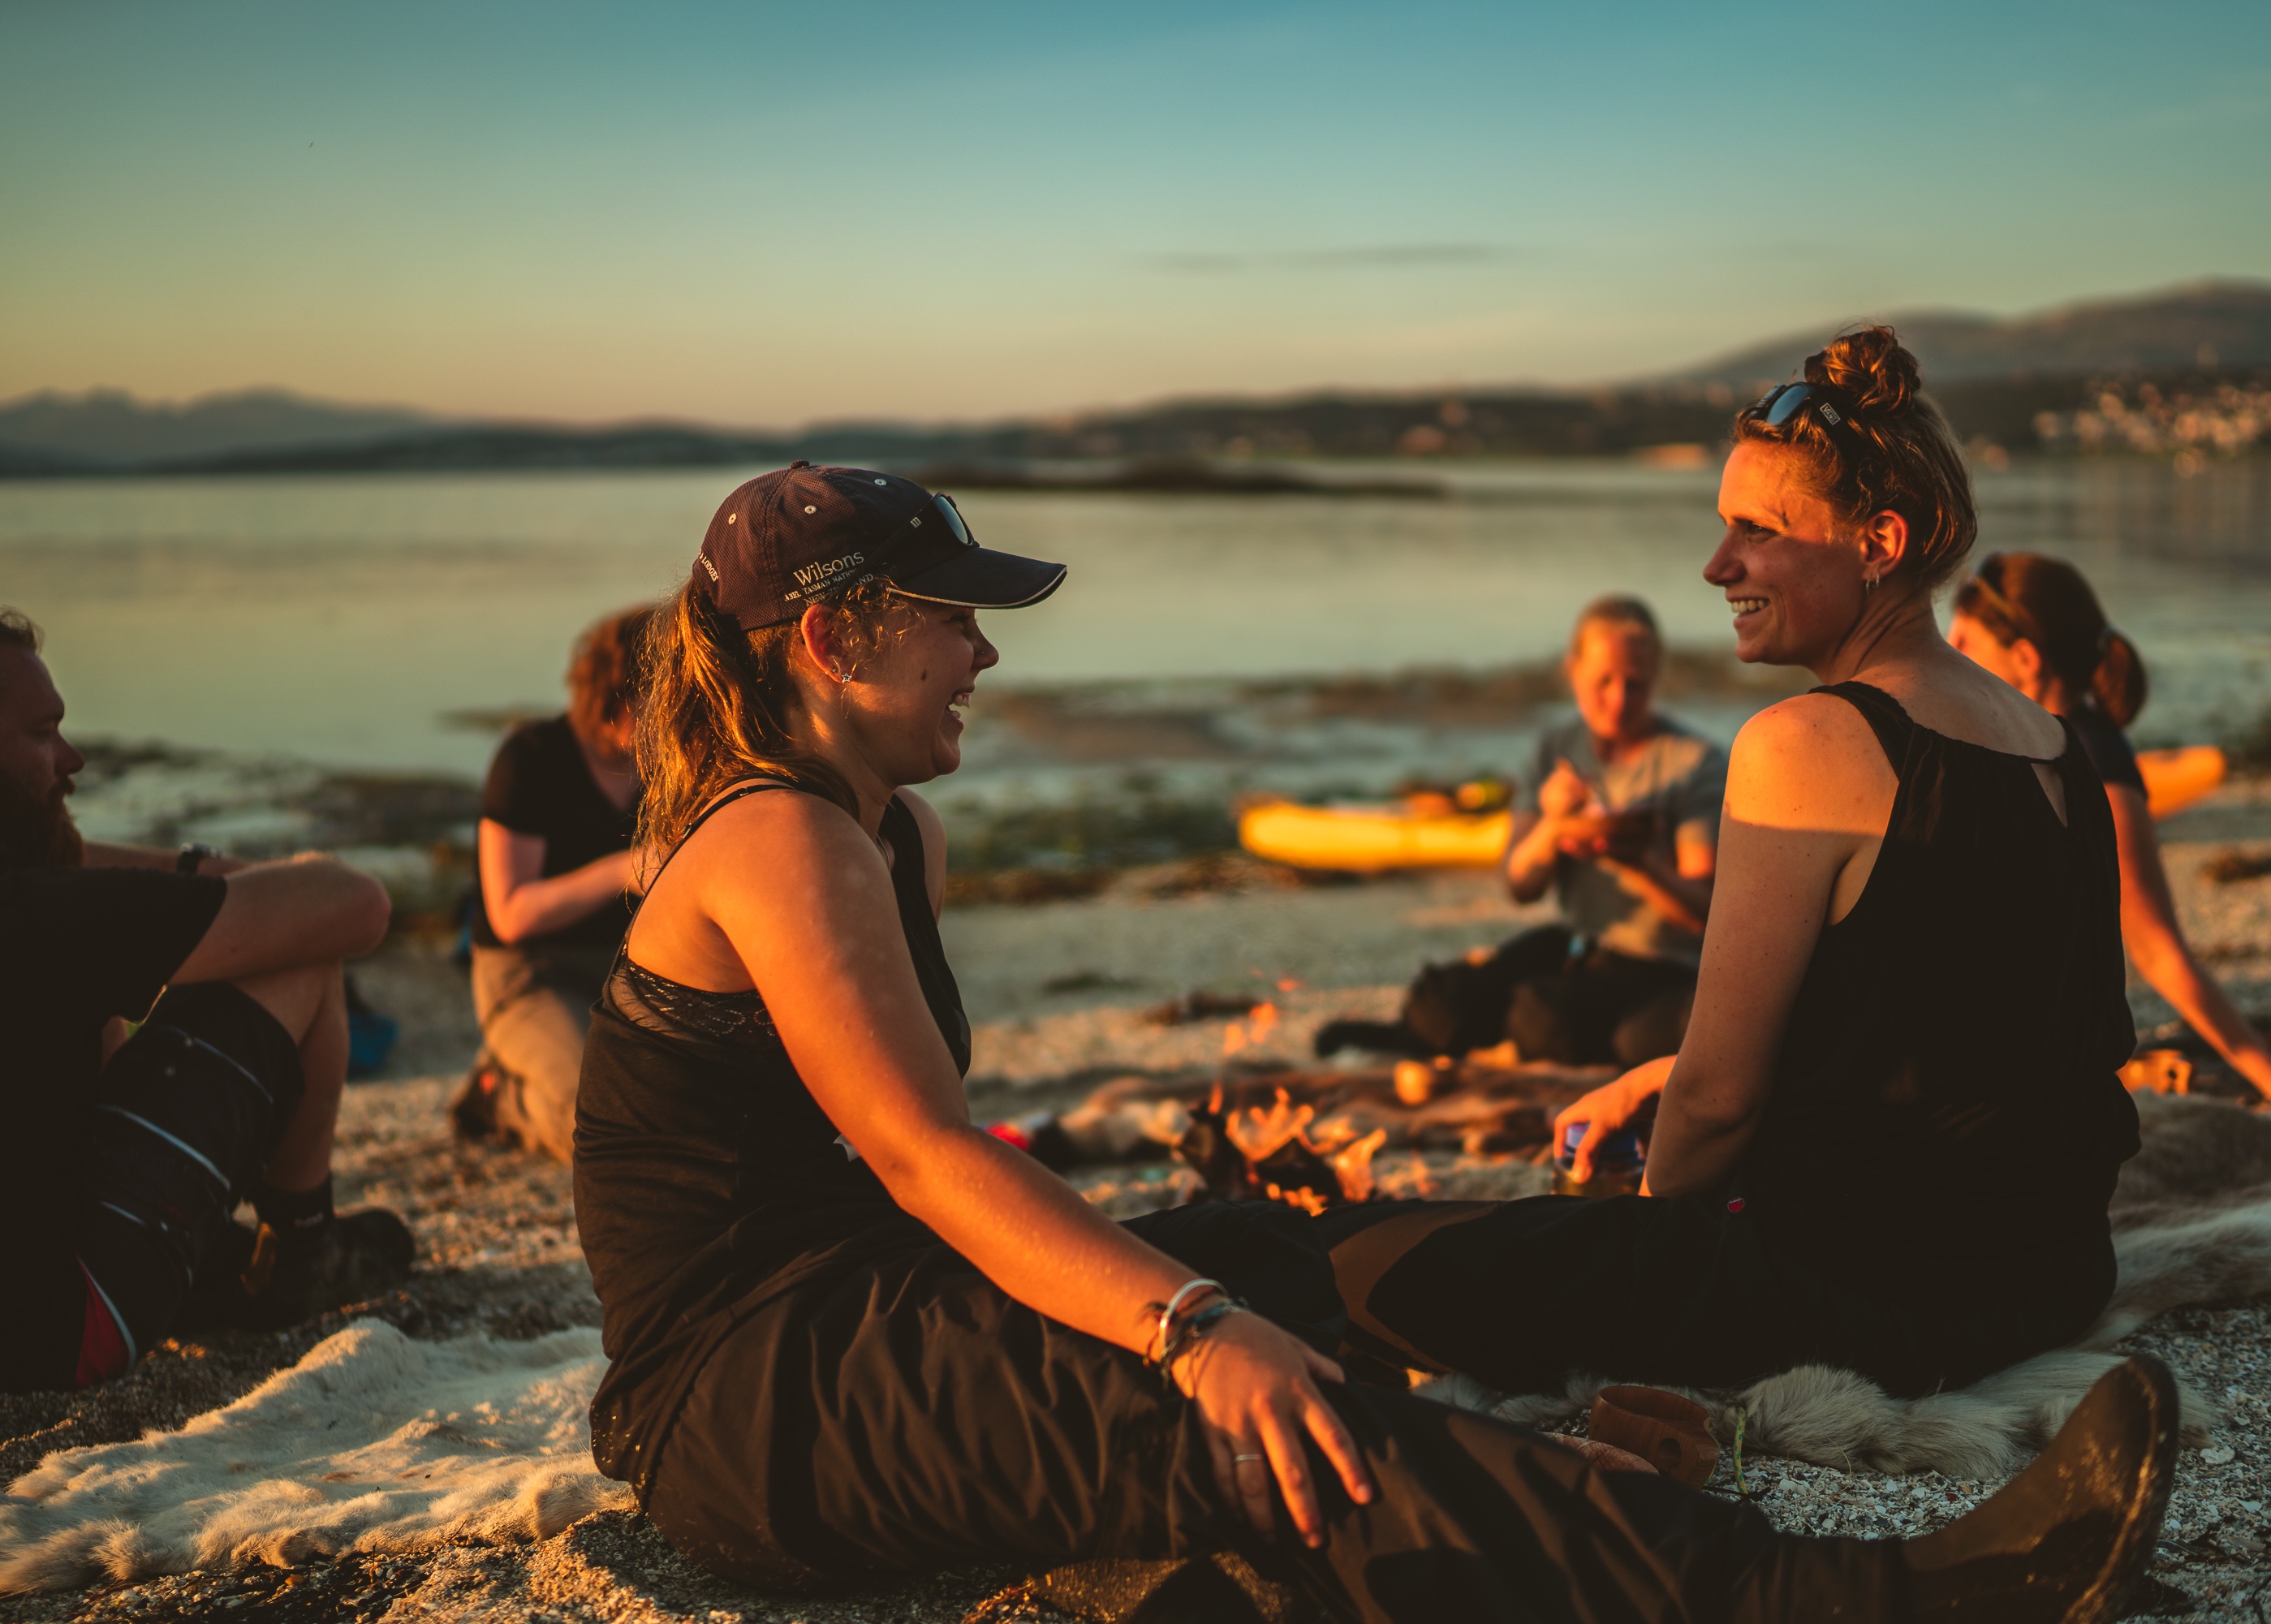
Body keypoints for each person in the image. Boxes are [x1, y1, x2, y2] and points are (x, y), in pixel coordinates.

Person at [570, 464, 2178, 1624]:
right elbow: (923, 1158)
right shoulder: (775, 843)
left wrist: (1208, 1286)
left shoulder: (886, 832)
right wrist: (1191, 1330)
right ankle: (1866, 1597)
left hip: (864, 1303)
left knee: (1288, 1253)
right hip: (750, 1397)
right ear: (836, 637)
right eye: (952, 620)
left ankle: (1500, 1400)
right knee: (1271, 1401)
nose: (984, 654)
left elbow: (911, 1171)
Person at [1320, 328, 2148, 1413]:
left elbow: (1718, 1104)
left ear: (1878, 543)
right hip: (2049, 1277)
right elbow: (1978, 1033)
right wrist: (1665, 1077)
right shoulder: (2051, 747)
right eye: (1723, 529)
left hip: (1862, 1300)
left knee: (1356, 1268)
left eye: (1756, 532)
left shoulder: (1805, 745)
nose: (1718, 568)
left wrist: (1651, 1223)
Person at [0, 608, 413, 1394]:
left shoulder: (40, 905)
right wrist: (201, 874)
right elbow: (352, 905)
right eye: (42, 733)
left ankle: (215, 1258)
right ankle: (303, 1248)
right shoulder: (39, 915)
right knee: (298, 956)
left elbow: (74, 883)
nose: (73, 758)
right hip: (60, 1332)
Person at [1949, 554, 2271, 1111]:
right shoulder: (2032, 746)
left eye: (1963, 645)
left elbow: (2158, 950)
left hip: (2022, 1059)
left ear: (2026, 659)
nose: (1949, 662)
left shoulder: (2093, 766)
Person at [1316, 598, 1724, 1068]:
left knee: (1544, 1019)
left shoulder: (1694, 763)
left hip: (1659, 965)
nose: (1618, 700)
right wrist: (1552, 827)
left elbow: (1706, 913)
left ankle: (1503, 1038)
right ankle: (1434, 1035)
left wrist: (1636, 863)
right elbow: (1520, 886)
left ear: (1657, 678)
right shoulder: (1556, 749)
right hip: (1579, 945)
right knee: (1443, 1004)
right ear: (1573, 672)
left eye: (1636, 685)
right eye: (1603, 683)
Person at [454, 605, 649, 1163]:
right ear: (617, 693)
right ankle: (501, 1098)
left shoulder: (666, 763)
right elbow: (510, 911)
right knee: (595, 1124)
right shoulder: (530, 759)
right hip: (527, 974)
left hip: (625, 969)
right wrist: (625, 869)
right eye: (660, 699)